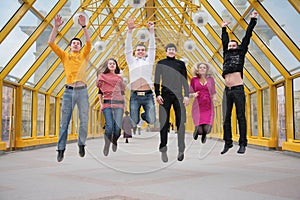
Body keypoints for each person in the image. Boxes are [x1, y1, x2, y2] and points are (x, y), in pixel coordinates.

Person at [48, 14, 91, 162]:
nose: (75, 44)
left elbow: (89, 42)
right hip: (68, 92)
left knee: (84, 120)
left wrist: (84, 26)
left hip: (83, 91)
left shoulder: (84, 55)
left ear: (80, 47)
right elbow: (51, 42)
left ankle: (81, 144)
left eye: (77, 43)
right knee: (64, 122)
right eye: (73, 43)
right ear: (70, 46)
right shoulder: (65, 56)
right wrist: (56, 27)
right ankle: (61, 149)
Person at [221, 11, 258, 154]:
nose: (230, 46)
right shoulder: (226, 53)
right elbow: (224, 40)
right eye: (229, 45)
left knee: (240, 116)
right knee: (226, 117)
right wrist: (223, 28)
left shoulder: (240, 52)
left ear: (237, 46)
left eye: (232, 45)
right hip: (227, 89)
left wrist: (252, 20)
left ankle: (242, 143)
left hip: (237, 88)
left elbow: (247, 36)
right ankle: (228, 143)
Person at [154, 43, 190, 162]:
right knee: (164, 123)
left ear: (175, 51)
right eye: (169, 49)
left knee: (181, 123)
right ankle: (163, 148)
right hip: (164, 96)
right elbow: (156, 80)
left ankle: (181, 149)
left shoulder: (181, 64)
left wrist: (186, 95)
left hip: (178, 96)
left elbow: (185, 80)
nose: (171, 51)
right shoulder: (161, 63)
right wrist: (157, 94)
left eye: (173, 49)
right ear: (166, 51)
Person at [125, 18, 156, 133]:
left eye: (143, 50)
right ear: (135, 52)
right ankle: (137, 119)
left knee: (152, 120)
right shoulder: (131, 62)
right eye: (138, 50)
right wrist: (129, 31)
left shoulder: (149, 61)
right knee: (133, 121)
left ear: (145, 52)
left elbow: (152, 48)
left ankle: (144, 116)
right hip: (135, 95)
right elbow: (127, 49)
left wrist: (151, 32)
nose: (141, 51)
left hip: (148, 95)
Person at [96, 58, 126, 156]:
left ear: (116, 66)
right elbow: (100, 92)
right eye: (110, 63)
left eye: (114, 63)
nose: (112, 65)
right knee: (109, 126)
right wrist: (101, 104)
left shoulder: (119, 78)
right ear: (107, 66)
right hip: (107, 104)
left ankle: (115, 140)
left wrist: (124, 105)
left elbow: (123, 92)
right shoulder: (102, 77)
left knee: (117, 129)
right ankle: (107, 144)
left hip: (119, 104)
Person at [190, 62, 217, 144]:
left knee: (207, 129)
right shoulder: (193, 80)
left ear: (207, 70)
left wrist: (215, 97)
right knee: (199, 130)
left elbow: (213, 91)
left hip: (208, 105)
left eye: (204, 67)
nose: (202, 69)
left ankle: (205, 135)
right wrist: (193, 94)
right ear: (197, 70)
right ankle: (196, 131)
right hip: (197, 106)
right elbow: (189, 92)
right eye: (200, 67)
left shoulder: (211, 80)